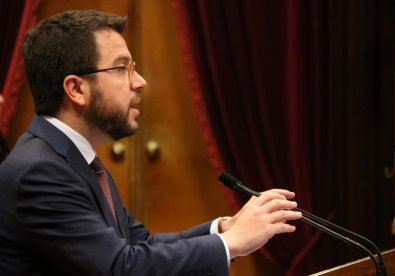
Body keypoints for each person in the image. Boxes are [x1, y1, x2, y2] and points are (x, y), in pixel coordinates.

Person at [0, 10, 302, 276]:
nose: (139, 81)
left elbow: (138, 245)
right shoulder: (39, 172)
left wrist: (223, 229)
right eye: (121, 68)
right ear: (76, 89)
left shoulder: (73, 159)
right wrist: (230, 244)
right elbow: (120, 267)